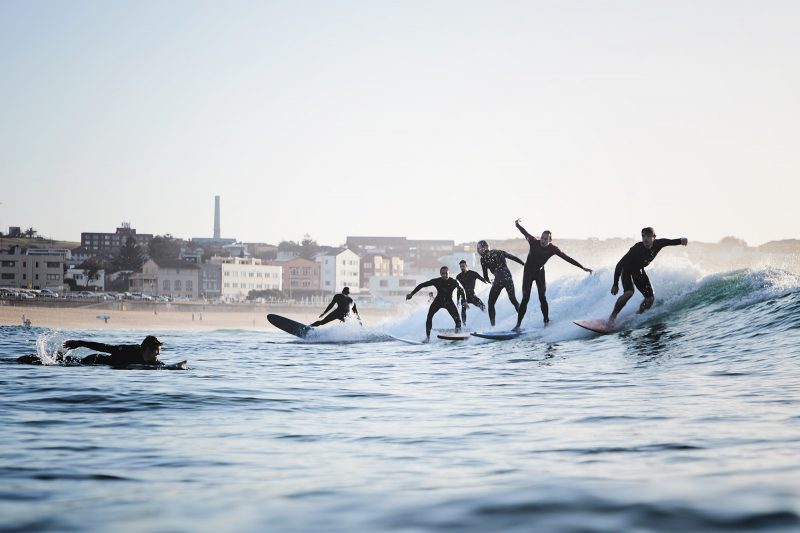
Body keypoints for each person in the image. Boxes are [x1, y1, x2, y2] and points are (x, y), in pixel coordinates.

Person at [513, 219, 593, 330]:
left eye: (546, 239)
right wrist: (517, 225)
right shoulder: (533, 241)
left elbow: (567, 258)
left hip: (540, 273)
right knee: (525, 298)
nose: (543, 240)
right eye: (542, 238)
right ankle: (517, 325)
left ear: (550, 240)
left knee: (542, 297)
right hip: (528, 272)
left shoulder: (553, 249)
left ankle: (546, 322)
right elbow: (524, 233)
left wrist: (582, 267)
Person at [608, 227, 688, 323]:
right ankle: (612, 318)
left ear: (654, 237)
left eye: (648, 236)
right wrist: (615, 284)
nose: (645, 238)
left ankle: (637, 316)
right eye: (643, 236)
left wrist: (681, 240)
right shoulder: (636, 248)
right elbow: (619, 264)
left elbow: (670, 242)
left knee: (650, 299)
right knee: (629, 293)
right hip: (627, 270)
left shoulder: (659, 243)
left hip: (639, 270)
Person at [406, 266, 466, 342]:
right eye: (442, 273)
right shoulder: (437, 281)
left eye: (446, 273)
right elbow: (422, 285)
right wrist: (412, 294)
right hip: (438, 301)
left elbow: (462, 290)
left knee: (458, 321)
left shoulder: (454, 281)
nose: (444, 275)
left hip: (449, 302)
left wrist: (464, 301)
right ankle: (428, 338)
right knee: (429, 316)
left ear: (449, 273)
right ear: (440, 274)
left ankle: (457, 336)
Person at [477, 240, 525, 327]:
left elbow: (485, 276)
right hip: (508, 277)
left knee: (491, 303)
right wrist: (524, 264)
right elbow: (514, 258)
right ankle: (524, 322)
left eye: (479, 248)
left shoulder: (483, 258)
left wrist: (489, 281)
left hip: (498, 279)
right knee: (513, 300)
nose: (478, 251)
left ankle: (493, 327)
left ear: (485, 248)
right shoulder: (499, 252)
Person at [63, 335, 164, 366]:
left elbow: (165, 366)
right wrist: (79, 343)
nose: (158, 353)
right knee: (69, 362)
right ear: (148, 349)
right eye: (156, 350)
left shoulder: (153, 362)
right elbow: (105, 347)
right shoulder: (129, 351)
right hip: (95, 361)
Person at [456, 259, 488, 325]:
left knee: (483, 307)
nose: (462, 268)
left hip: (472, 295)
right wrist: (458, 300)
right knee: (463, 310)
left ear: (466, 265)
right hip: (464, 297)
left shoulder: (473, 273)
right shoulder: (458, 277)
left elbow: (483, 280)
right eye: (461, 266)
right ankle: (464, 325)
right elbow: (458, 289)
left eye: (463, 266)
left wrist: (489, 282)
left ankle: (488, 319)